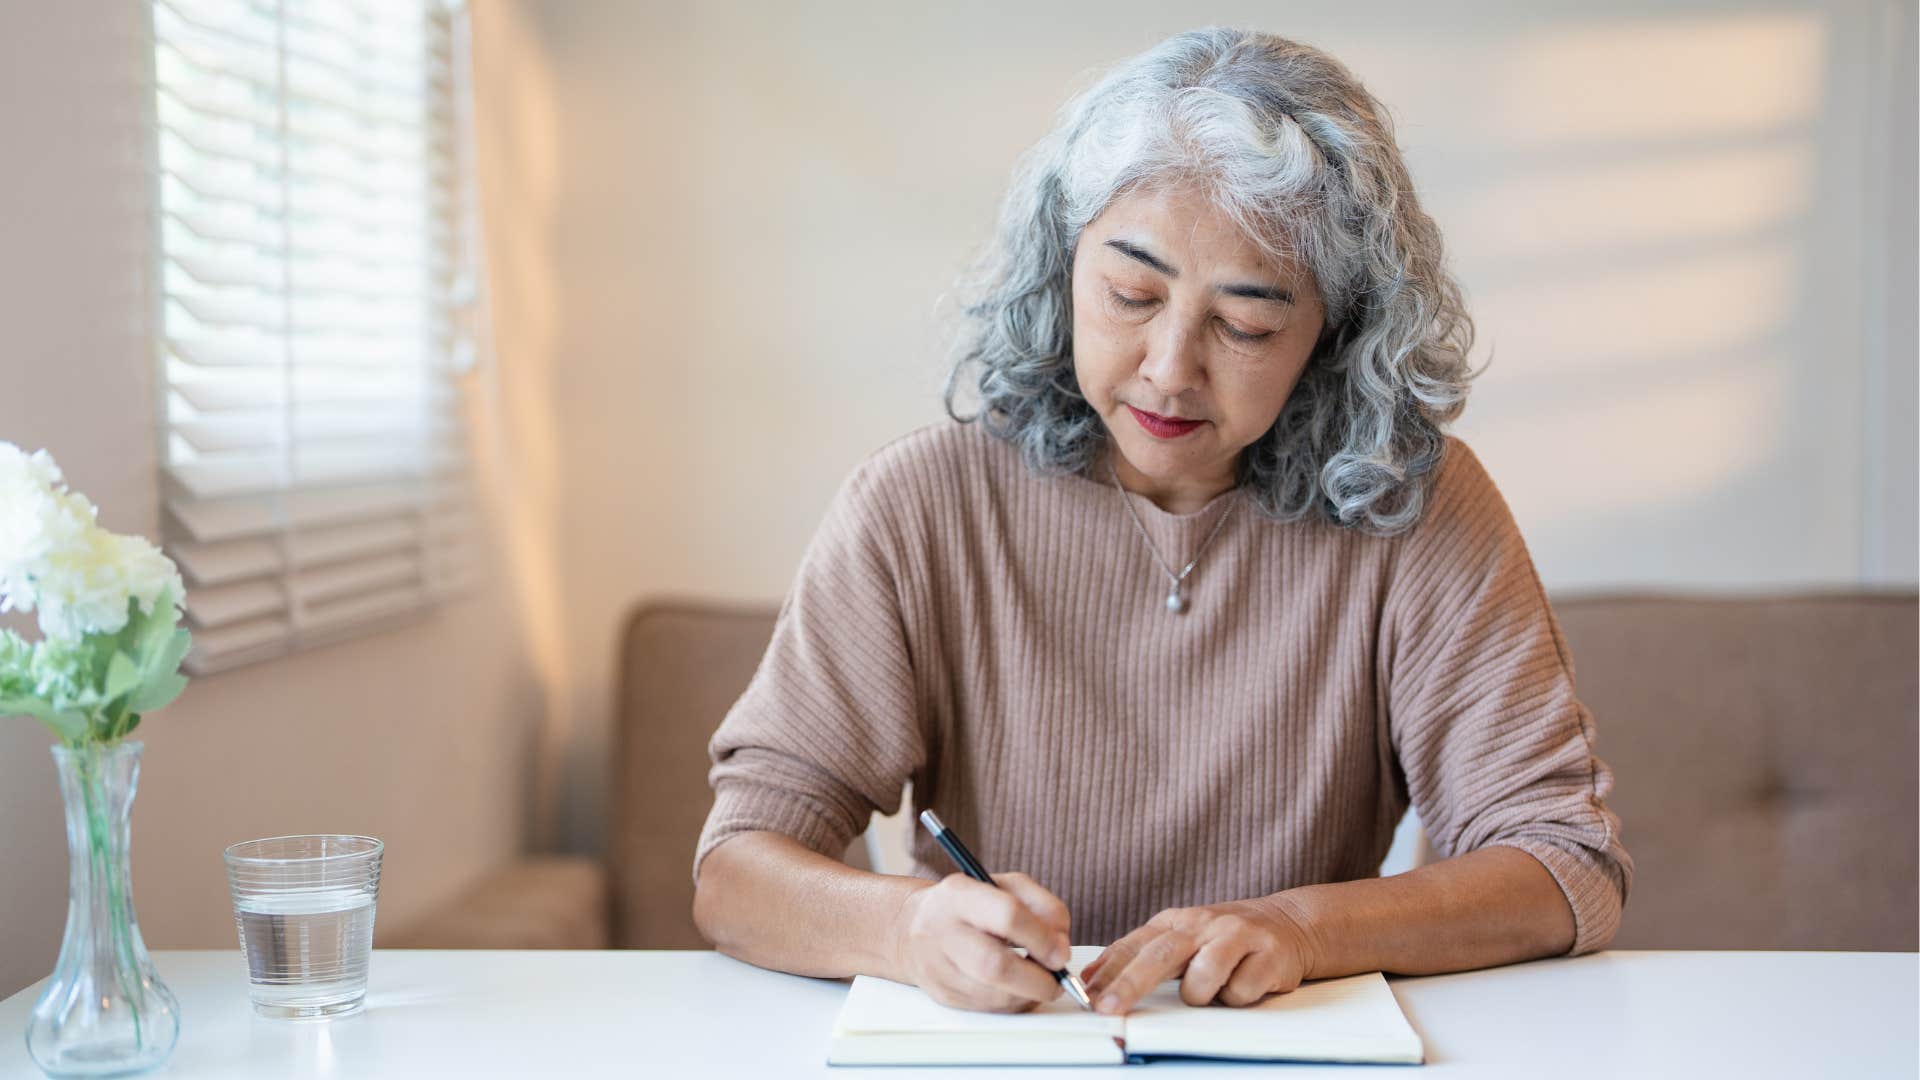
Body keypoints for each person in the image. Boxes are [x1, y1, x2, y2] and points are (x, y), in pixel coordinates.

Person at [691, 26, 1631, 1017]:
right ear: (1062, 266)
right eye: (1131, 293)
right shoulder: (920, 506)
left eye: (1247, 323)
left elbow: (1566, 868)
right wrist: (904, 931)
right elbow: (737, 875)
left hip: (1285, 1044)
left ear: (1334, 334)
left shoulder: (1419, 507)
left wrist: (1303, 929)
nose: (1171, 367)